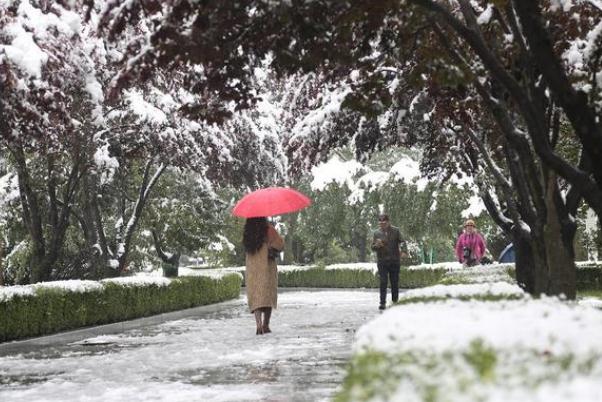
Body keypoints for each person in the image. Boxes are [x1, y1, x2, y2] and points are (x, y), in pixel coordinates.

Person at [243, 217, 284, 335]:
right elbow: (280, 244)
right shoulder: (268, 229)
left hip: (252, 267)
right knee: (267, 295)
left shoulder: (248, 232)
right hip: (266, 266)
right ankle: (266, 325)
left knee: (256, 295)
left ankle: (258, 324)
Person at [371, 214, 407, 310]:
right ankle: (382, 303)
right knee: (383, 282)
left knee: (394, 282)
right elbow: (372, 247)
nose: (382, 223)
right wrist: (377, 245)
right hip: (382, 261)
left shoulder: (396, 231)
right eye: (380, 222)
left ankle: (395, 302)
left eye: (384, 222)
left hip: (394, 260)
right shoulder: (376, 233)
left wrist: (404, 251)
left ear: (388, 222)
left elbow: (402, 242)